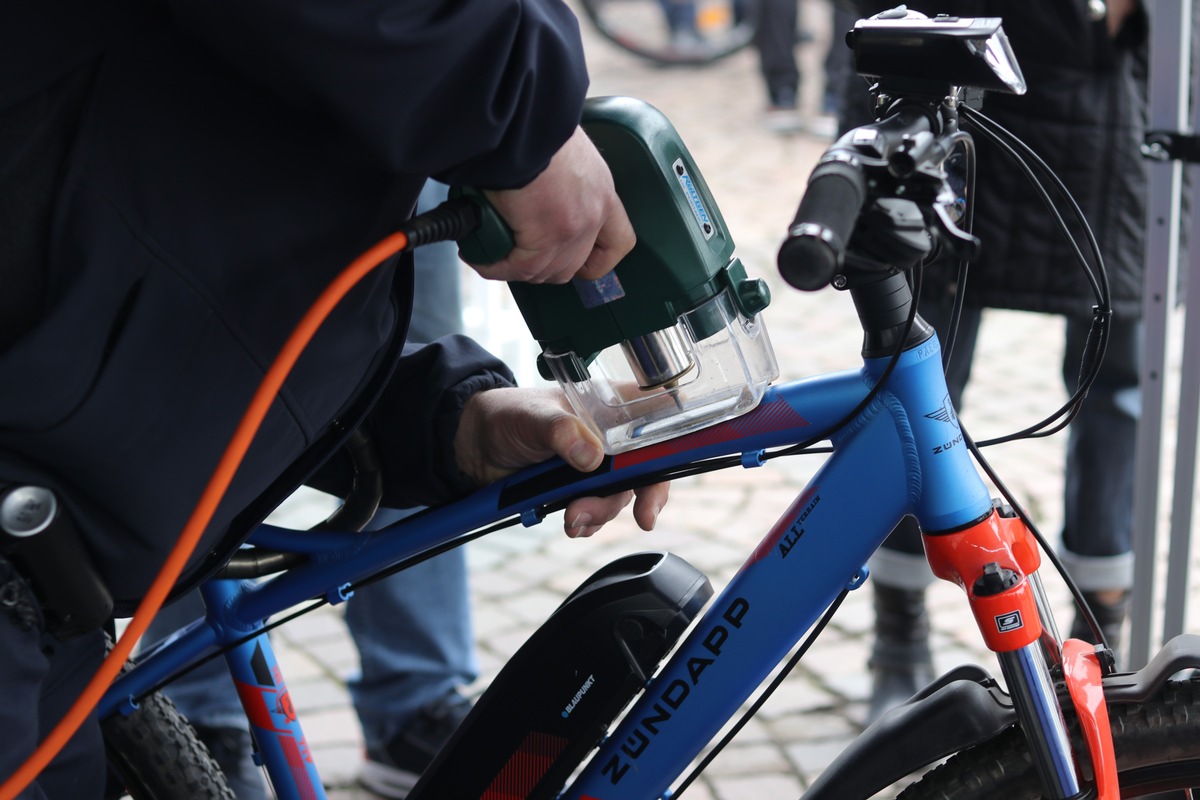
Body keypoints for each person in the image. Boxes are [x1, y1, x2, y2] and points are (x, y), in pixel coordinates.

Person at [0, 4, 669, 799]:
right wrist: (521, 108)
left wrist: (450, 422)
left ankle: (405, 693)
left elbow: (190, 268)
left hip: (44, 599)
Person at [835, 0, 1149, 721]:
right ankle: (898, 633)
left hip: (1114, 95)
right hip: (956, 82)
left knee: (1118, 391)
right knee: (916, 388)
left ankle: (1099, 639)